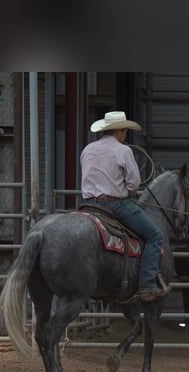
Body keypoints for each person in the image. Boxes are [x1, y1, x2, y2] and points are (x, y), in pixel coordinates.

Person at [80, 111, 169, 303]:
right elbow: (134, 184)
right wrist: (127, 191)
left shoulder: (88, 149)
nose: (126, 135)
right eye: (125, 131)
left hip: (88, 206)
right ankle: (146, 285)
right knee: (155, 236)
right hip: (115, 205)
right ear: (119, 131)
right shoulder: (123, 151)